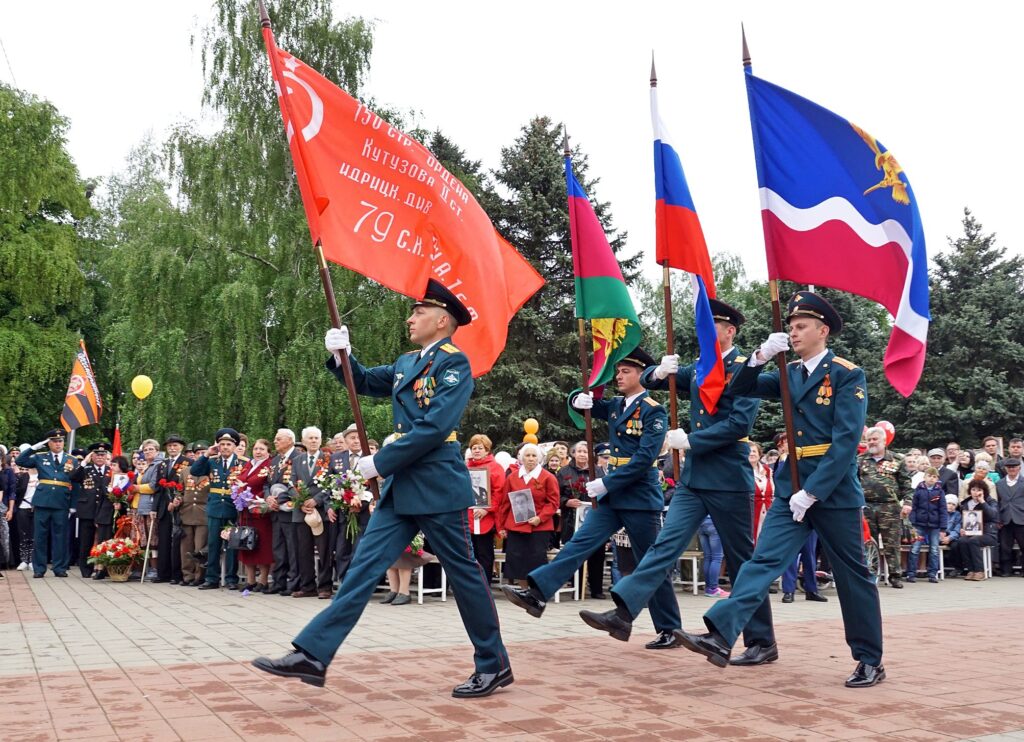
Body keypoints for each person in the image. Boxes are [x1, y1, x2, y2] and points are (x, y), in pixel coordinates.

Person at [253, 279, 512, 697]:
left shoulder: (453, 364)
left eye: (419, 312)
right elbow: (366, 383)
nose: (410, 318)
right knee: (362, 570)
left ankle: (493, 664)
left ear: (442, 319)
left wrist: (380, 460)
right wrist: (343, 356)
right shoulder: (408, 362)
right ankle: (314, 654)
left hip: (437, 484)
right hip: (403, 488)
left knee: (464, 576)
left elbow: (435, 427)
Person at [673, 292, 885, 688]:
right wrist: (758, 358)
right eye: (790, 325)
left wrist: (814, 492)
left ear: (822, 331)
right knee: (761, 562)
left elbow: (845, 442)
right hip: (791, 484)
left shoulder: (845, 373)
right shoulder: (788, 372)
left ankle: (869, 658)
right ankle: (721, 633)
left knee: (852, 575)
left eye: (801, 326)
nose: (793, 331)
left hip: (832, 489)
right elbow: (736, 390)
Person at [579, 300, 776, 659]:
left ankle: (761, 641)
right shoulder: (701, 366)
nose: (704, 330)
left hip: (729, 477)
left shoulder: (743, 368)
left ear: (730, 331)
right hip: (694, 477)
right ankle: (624, 613)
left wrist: (692, 441)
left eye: (711, 325)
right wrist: (656, 372)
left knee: (742, 560)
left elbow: (739, 425)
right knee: (664, 545)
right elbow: (657, 377)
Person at [503, 348, 683, 650]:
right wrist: (577, 398)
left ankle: (668, 628)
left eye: (626, 371)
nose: (619, 376)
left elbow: (643, 459)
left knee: (650, 563)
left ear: (642, 374)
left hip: (639, 496)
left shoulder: (654, 410)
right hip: (613, 495)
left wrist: (606, 482)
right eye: (618, 371)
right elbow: (581, 400)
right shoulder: (615, 405)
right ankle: (538, 593)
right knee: (580, 543)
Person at [495, 443, 559, 586]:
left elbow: (553, 503)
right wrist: (501, 527)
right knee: (517, 560)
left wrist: (540, 518)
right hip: (516, 526)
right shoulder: (512, 477)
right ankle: (522, 591)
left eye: (534, 455)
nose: (530, 459)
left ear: (539, 458)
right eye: (527, 455)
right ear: (521, 458)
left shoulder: (548, 477)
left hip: (539, 527)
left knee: (536, 559)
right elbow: (505, 503)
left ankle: (537, 591)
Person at [858, 426, 913, 588]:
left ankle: (895, 575)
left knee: (892, 543)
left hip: (890, 507)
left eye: (875, 439)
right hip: (866, 506)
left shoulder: (897, 459)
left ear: (884, 441)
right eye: (869, 440)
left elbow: (906, 484)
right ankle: (870, 573)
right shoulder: (860, 459)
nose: (872, 442)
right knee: (868, 542)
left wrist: (908, 503)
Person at [15, 429, 75, 578]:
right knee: (40, 536)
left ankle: (59, 567)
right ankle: (39, 568)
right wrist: (34, 447)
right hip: (43, 501)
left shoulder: (71, 459)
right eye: (54, 441)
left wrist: (72, 505)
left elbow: (75, 483)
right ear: (48, 443)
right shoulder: (40, 457)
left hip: (61, 501)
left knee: (60, 536)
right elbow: (20, 461)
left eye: (60, 441)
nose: (58, 443)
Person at [191, 429, 243, 590]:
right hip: (215, 508)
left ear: (235, 446)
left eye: (228, 444)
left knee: (232, 545)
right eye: (222, 444)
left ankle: (231, 579)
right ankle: (211, 578)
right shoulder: (212, 461)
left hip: (233, 508)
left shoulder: (242, 463)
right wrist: (207, 454)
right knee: (213, 544)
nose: (225, 447)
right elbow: (195, 471)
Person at [555, 442, 604, 598]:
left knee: (597, 553)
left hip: (594, 518)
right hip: (571, 519)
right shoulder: (563, 472)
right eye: (580, 451)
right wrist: (566, 502)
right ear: (573, 454)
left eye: (586, 452)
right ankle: (576, 587)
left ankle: (596, 589)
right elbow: (556, 495)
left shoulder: (598, 471)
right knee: (576, 552)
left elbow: (606, 491)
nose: (583, 454)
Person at [329, 424, 371, 586]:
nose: (356, 441)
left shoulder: (370, 457)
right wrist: (331, 505)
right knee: (341, 551)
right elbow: (329, 484)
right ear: (345, 440)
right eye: (352, 438)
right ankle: (344, 583)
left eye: (359, 437)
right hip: (343, 512)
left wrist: (362, 501)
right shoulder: (337, 458)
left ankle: (357, 584)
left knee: (358, 550)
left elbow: (375, 486)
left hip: (363, 513)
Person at [265, 428, 302, 596]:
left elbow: (296, 484)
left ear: (290, 440)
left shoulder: (298, 458)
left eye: (278, 438)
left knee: (292, 548)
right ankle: (279, 581)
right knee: (278, 548)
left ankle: (293, 582)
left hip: (290, 510)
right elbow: (267, 483)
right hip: (276, 511)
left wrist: (279, 499)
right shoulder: (274, 461)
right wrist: (268, 498)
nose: (275, 441)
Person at [465, 433, 505, 585]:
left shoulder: (495, 468)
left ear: (487, 450)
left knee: (485, 553)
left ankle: (485, 583)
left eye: (480, 448)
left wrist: (486, 509)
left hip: (485, 517)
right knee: (470, 553)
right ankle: (471, 584)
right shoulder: (466, 467)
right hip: (468, 516)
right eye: (474, 448)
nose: (476, 451)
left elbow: (499, 492)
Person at [68, 442, 112, 578]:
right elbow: (73, 477)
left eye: (103, 455)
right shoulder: (86, 469)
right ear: (92, 456)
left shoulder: (111, 470)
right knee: (85, 541)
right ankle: (86, 569)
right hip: (88, 509)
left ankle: (102, 568)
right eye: (97, 455)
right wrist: (83, 462)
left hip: (104, 511)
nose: (100, 457)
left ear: (107, 456)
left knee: (104, 540)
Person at [236, 438, 274, 592]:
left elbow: (267, 486)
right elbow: (240, 482)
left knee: (262, 545)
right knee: (246, 543)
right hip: (245, 511)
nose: (258, 452)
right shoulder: (248, 464)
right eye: (256, 449)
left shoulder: (269, 465)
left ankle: (263, 580)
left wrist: (254, 499)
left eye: (262, 449)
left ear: (268, 452)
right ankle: (250, 580)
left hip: (260, 511)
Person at [154, 434, 189, 583]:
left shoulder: (188, 462)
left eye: (175, 445)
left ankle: (177, 574)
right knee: (163, 541)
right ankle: (163, 573)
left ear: (181, 447)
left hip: (179, 506)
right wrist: (154, 508)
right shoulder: (162, 464)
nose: (172, 448)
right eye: (169, 446)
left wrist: (178, 500)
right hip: (163, 507)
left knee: (177, 542)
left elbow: (189, 487)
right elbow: (157, 488)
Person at [907, 467, 948, 583]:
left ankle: (932, 574)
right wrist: (912, 523)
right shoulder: (918, 490)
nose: (931, 478)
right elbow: (913, 508)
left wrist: (943, 527)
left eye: (934, 476)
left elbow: (943, 510)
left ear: (937, 479)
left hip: (935, 525)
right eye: (929, 476)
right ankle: (911, 573)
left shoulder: (940, 491)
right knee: (915, 549)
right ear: (924, 477)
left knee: (934, 549)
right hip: (919, 524)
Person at [177, 444, 210, 587]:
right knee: (186, 548)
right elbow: (179, 490)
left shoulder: (211, 470)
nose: (200, 455)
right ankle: (187, 576)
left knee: (199, 547)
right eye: (198, 453)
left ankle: (199, 576)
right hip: (186, 512)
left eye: (203, 452)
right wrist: (177, 499)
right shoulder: (185, 471)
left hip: (203, 514)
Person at [957, 480, 999, 580]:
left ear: (984, 491)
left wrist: (982, 502)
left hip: (989, 533)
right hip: (971, 533)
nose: (976, 492)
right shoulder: (966, 503)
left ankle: (979, 571)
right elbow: (964, 519)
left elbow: (993, 515)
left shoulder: (990, 501)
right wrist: (963, 528)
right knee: (962, 541)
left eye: (979, 490)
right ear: (970, 491)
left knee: (974, 540)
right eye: (973, 489)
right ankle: (971, 570)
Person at [995, 458, 1023, 577]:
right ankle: (1006, 570)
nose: (1012, 469)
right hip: (1005, 518)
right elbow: (997, 502)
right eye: (1009, 467)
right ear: (1005, 469)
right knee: (1005, 546)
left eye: (1014, 467)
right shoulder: (999, 484)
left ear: (1019, 468)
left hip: (1021, 517)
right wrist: (998, 518)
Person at [749, 441, 774, 543]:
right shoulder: (741, 470)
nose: (752, 453)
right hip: (750, 513)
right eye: (749, 451)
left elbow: (773, 491)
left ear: (759, 455)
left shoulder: (767, 470)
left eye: (754, 451)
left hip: (768, 513)